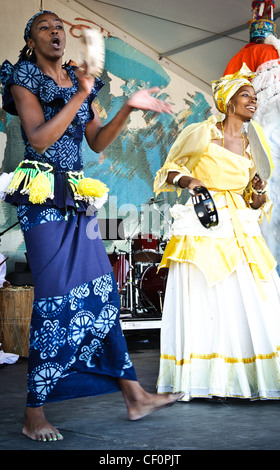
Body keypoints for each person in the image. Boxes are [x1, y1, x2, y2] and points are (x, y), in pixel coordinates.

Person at [0, 10, 182, 442]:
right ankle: (34, 412)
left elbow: (96, 141)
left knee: (103, 291)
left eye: (60, 27)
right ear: (31, 39)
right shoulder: (23, 78)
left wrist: (127, 108)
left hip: (77, 198)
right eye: (45, 28)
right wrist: (80, 95)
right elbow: (40, 139)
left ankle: (134, 395)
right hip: (42, 196)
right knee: (57, 299)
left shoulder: (78, 80)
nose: (56, 33)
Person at [153, 63, 280, 402]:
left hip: (241, 228)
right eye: (245, 95)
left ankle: (245, 378)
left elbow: (253, 202)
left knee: (254, 296)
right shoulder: (202, 133)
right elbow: (168, 170)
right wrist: (190, 180)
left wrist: (257, 192)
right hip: (205, 223)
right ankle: (209, 381)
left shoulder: (255, 146)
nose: (253, 101)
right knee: (210, 297)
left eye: (254, 97)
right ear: (228, 101)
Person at [224, 0, 280, 269]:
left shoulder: (236, 58)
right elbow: (272, 100)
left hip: (245, 138)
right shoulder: (269, 53)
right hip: (265, 136)